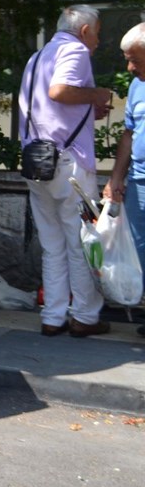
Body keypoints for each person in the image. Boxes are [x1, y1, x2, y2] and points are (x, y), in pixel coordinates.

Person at [18, 4, 114, 338]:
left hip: (37, 162)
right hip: (70, 165)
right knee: (81, 242)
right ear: (85, 30)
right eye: (98, 33)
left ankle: (53, 316)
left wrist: (88, 109)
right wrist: (98, 94)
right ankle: (84, 316)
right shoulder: (75, 49)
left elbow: (48, 106)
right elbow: (59, 91)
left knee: (52, 244)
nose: (98, 41)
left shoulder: (37, 56)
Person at [100, 22, 145, 337]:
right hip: (139, 182)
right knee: (140, 251)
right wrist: (116, 177)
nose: (129, 67)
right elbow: (128, 133)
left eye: (135, 60)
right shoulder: (136, 87)